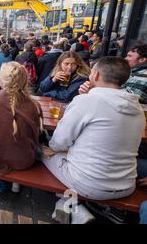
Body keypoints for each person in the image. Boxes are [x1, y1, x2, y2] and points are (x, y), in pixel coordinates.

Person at [42, 57, 144, 223]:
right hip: (127, 184)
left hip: (90, 184)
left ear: (95, 74)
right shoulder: (137, 107)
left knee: (42, 153)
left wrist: (50, 148)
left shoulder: (87, 101)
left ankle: (72, 206)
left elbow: (58, 142)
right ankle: (72, 206)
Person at [0, 62, 41, 188]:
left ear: (2, 81)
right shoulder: (35, 105)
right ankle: (16, 183)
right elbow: (36, 135)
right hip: (24, 160)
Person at [79, 44, 147, 104]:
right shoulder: (133, 72)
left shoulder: (144, 76)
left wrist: (96, 88)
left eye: (129, 56)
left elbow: (129, 99)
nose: (125, 58)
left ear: (142, 59)